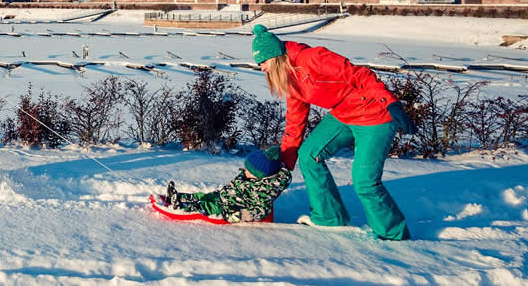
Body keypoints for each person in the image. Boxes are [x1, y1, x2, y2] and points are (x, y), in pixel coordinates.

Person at [252, 24, 414, 240]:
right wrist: (284, 163)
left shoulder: (312, 58)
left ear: (274, 56)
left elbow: (358, 74)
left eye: (262, 62)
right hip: (344, 113)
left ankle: (393, 235)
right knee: (308, 155)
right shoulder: (290, 78)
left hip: (375, 114)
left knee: (364, 180)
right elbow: (295, 121)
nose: (261, 68)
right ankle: (329, 217)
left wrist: (390, 102)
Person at [164, 147, 292, 223]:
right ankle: (178, 197)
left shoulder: (264, 190)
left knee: (209, 206)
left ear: (258, 175)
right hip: (224, 196)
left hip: (230, 208)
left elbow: (261, 210)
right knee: (204, 196)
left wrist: (238, 215)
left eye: (248, 170)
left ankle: (183, 207)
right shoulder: (249, 177)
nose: (244, 170)